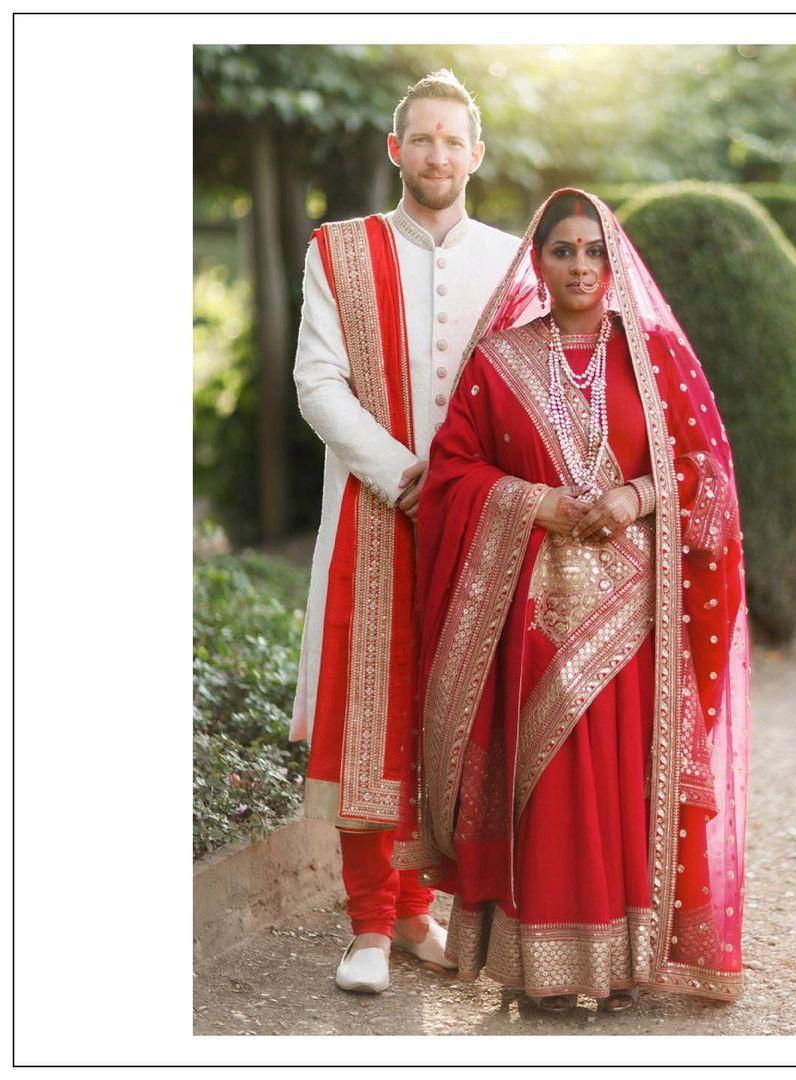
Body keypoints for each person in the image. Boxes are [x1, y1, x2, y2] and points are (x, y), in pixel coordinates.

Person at [393, 189, 751, 1012]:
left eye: (593, 250)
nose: (581, 265)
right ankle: (543, 971)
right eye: (564, 251)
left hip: (635, 612)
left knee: (626, 781)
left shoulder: (655, 356)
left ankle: (625, 962)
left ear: (612, 259)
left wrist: (634, 497)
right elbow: (453, 475)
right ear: (540, 261)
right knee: (547, 782)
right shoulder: (499, 361)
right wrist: (537, 504)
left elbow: (708, 471)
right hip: (531, 609)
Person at [289, 69, 521, 995]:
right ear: (396, 150)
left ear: (474, 154)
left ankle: (423, 911)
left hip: (476, 523)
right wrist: (401, 476)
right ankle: (368, 930)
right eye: (419, 138)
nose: (436, 154)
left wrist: (473, 490)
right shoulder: (338, 252)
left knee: (450, 713)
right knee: (366, 708)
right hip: (371, 515)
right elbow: (316, 383)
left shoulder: (512, 262)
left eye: (450, 140)